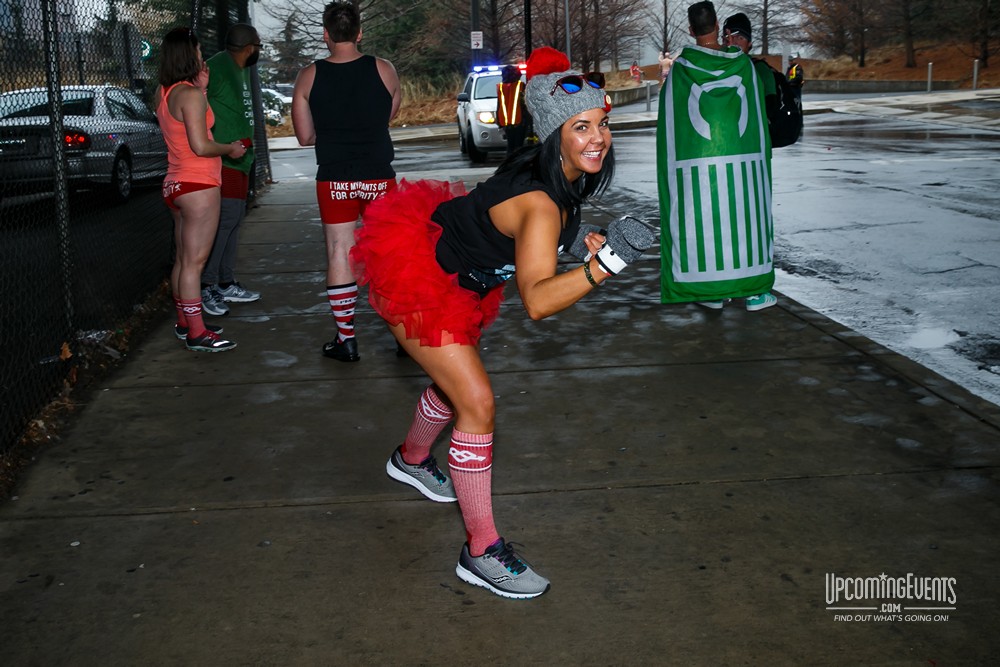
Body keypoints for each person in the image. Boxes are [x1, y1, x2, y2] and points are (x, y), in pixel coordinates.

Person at [350, 46, 653, 599]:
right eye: (580, 127)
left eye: (602, 124)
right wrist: (606, 265)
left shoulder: (558, 179)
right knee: (477, 403)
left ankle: (411, 460)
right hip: (417, 276)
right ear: (554, 133)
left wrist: (581, 253)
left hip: (461, 282)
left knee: (454, 387)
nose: (597, 138)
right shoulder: (542, 201)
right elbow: (536, 302)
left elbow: (531, 256)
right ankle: (480, 550)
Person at [291, 1, 401, 362]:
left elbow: (304, 137)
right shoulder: (384, 70)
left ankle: (346, 339)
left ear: (325, 34)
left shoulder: (309, 76)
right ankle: (404, 336)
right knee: (388, 252)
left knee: (340, 251)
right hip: (378, 175)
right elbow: (386, 116)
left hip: (335, 175)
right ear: (359, 32)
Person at [657, 1, 776, 312]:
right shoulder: (743, 66)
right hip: (743, 163)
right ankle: (754, 292)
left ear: (692, 29)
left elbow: (671, 125)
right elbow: (758, 120)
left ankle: (708, 291)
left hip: (698, 166)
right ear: (717, 26)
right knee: (747, 219)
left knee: (705, 222)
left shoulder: (681, 71)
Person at [156, 27, 247, 352]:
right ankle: (197, 333)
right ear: (189, 53)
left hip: (174, 184)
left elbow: (183, 130)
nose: (201, 55)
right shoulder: (190, 96)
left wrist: (203, 90)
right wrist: (230, 149)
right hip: (199, 185)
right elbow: (200, 145)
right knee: (195, 263)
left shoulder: (165, 92)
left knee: (183, 260)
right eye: (197, 50)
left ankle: (186, 323)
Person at [199, 23, 263, 317]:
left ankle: (224, 281)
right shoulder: (214, 68)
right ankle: (207, 285)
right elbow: (193, 103)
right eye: (258, 47)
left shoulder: (240, 69)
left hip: (240, 158)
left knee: (234, 219)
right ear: (250, 48)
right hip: (224, 158)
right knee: (225, 220)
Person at [496, 64, 526, 155]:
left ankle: (509, 164)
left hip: (506, 122)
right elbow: (524, 104)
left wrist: (499, 122)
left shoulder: (501, 87)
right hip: (519, 121)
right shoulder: (520, 86)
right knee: (519, 147)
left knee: (510, 146)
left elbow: (499, 105)